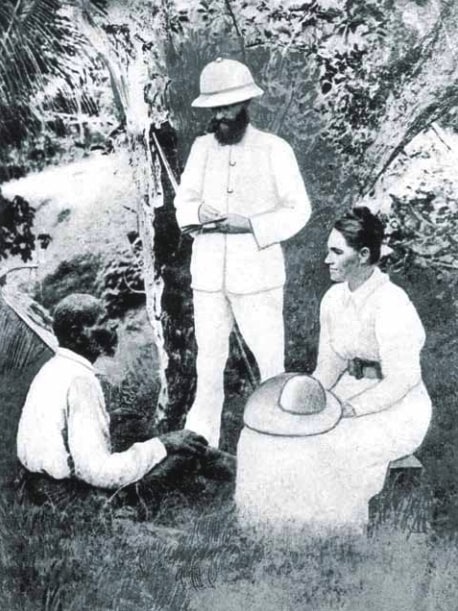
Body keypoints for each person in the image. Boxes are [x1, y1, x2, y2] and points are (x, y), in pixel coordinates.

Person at [236, 207, 432, 533]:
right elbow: (328, 367)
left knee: (327, 447)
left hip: (397, 408)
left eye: (337, 251)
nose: (327, 259)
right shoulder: (333, 300)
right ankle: (271, 536)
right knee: (266, 439)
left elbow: (403, 378)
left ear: (364, 255)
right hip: (343, 395)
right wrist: (303, 403)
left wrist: (353, 408)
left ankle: (336, 541)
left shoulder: (392, 303)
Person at [174, 57, 311, 447]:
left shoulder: (274, 149)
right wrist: (199, 212)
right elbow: (183, 202)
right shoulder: (202, 149)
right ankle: (201, 449)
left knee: (270, 362)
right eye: (214, 108)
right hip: (209, 275)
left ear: (246, 104)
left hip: (258, 276)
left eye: (228, 106)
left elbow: (298, 209)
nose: (220, 115)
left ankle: (279, 441)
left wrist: (249, 223)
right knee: (208, 363)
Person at [16, 293, 211, 508]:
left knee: (128, 420)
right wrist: (163, 444)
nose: (113, 326)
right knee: (184, 456)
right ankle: (241, 479)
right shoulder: (81, 382)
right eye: (102, 322)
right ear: (77, 334)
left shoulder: (55, 367)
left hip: (37, 485)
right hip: (70, 498)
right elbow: (98, 472)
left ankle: (235, 470)